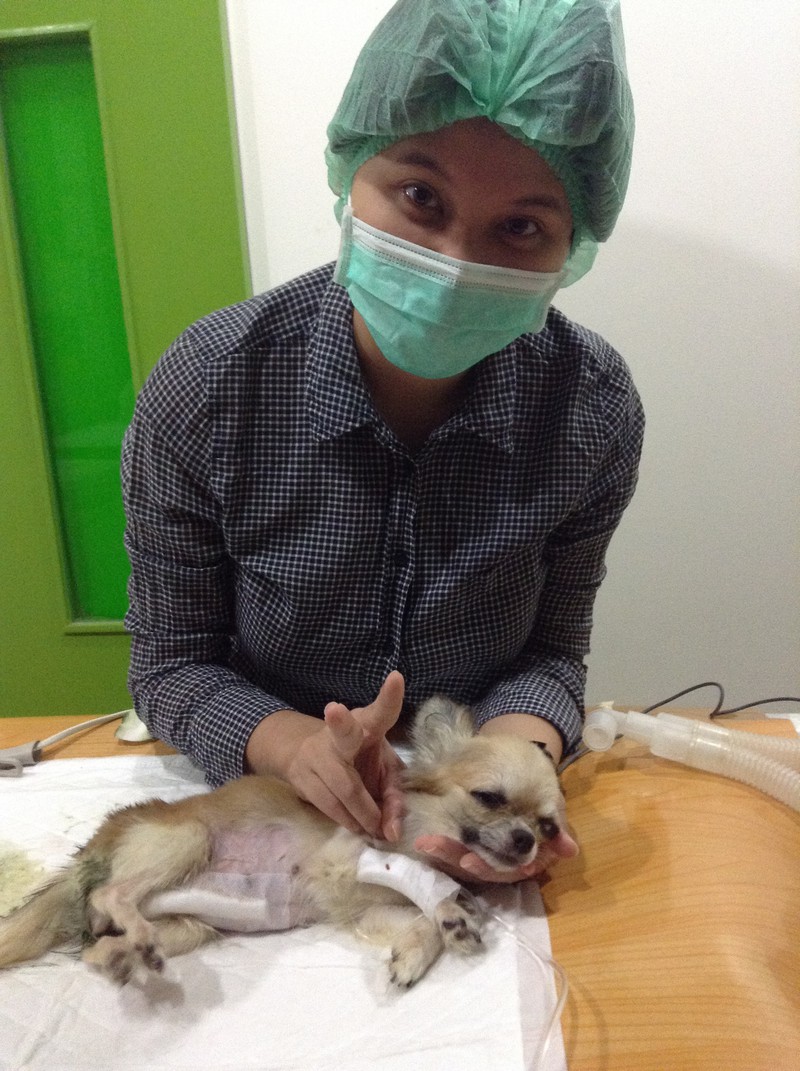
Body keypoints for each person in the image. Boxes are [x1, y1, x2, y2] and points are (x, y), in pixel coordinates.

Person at [121, 0, 642, 884]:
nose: (455, 260)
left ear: (573, 243)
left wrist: (510, 771)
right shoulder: (209, 388)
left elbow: (552, 653)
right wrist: (292, 746)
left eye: (521, 226)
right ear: (351, 171)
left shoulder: (590, 412)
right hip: (270, 802)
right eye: (420, 197)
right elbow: (172, 663)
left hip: (468, 802)